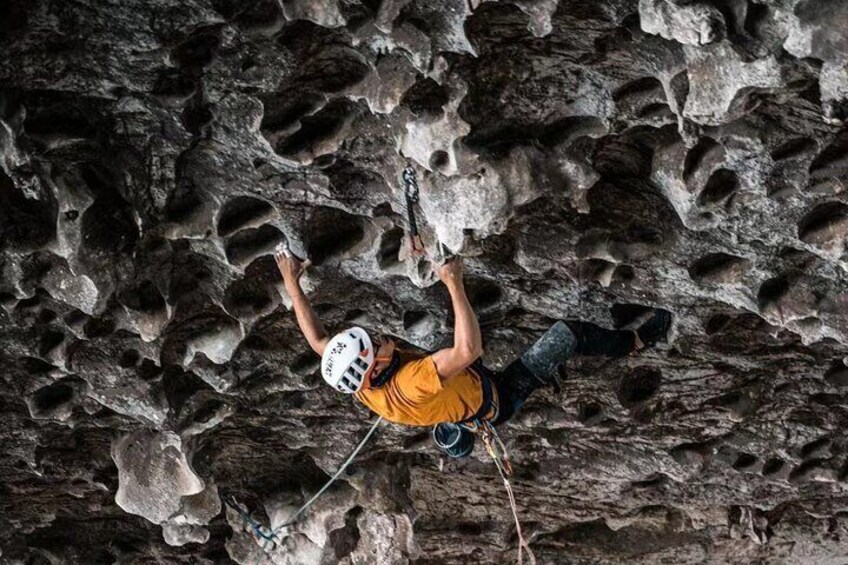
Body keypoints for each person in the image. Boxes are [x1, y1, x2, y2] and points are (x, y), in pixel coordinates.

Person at [275, 251, 671, 458]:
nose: (379, 338)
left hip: (464, 389)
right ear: (374, 366)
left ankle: (458, 423)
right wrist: (454, 282)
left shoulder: (354, 378)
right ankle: (634, 343)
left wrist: (292, 282)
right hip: (498, 396)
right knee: (567, 335)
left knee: (457, 347)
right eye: (375, 344)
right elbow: (468, 350)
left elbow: (317, 341)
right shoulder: (409, 383)